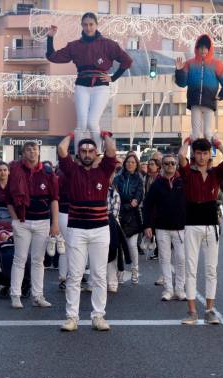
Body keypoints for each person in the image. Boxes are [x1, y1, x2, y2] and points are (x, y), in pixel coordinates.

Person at [46, 12, 132, 152]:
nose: (88, 27)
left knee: (92, 122)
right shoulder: (75, 46)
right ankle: (80, 156)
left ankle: (96, 154)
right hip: (82, 86)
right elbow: (53, 57)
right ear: (82, 26)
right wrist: (50, 37)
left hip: (101, 87)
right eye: (85, 24)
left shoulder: (108, 44)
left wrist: (113, 77)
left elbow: (127, 61)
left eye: (91, 24)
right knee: (81, 124)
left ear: (96, 25)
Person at [57, 132, 117, 332]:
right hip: (76, 230)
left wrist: (105, 135)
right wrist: (71, 135)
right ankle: (72, 317)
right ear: (78, 154)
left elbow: (111, 151)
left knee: (100, 276)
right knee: (74, 276)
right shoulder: (72, 171)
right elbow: (61, 150)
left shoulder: (104, 170)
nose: (87, 153)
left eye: (91, 151)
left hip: (100, 230)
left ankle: (98, 316)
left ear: (96, 153)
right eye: (83, 151)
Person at [178, 138, 223, 325]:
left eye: (205, 153)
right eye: (198, 153)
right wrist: (187, 142)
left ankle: (210, 310)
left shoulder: (216, 173)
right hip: (192, 224)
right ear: (193, 154)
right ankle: (192, 311)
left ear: (209, 154)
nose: (201, 157)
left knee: (211, 269)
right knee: (191, 269)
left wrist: (217, 144)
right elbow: (180, 156)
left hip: (211, 225)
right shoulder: (187, 172)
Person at [5, 142, 59, 309]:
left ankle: (38, 295)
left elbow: (54, 199)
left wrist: (54, 223)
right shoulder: (15, 170)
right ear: (23, 153)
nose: (32, 152)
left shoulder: (48, 172)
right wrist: (14, 219)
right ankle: (15, 295)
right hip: (22, 221)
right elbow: (8, 198)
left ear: (39, 152)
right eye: (28, 150)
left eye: (35, 149)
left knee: (38, 260)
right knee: (19, 259)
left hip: (42, 221)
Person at [143, 154, 187, 301]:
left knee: (181, 258)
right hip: (161, 227)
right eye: (167, 163)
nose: (170, 166)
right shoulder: (157, 184)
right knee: (164, 259)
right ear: (162, 166)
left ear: (176, 165)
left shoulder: (183, 182)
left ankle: (180, 289)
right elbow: (148, 205)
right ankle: (168, 289)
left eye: (173, 163)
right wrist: (148, 225)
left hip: (180, 227)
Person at [175, 34, 223, 141]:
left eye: (206, 48)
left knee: (208, 133)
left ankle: (208, 155)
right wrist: (179, 71)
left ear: (210, 49)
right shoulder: (189, 64)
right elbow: (182, 83)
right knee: (195, 134)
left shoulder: (217, 64)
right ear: (197, 48)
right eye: (201, 47)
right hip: (195, 103)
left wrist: (221, 95)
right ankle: (194, 155)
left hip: (209, 102)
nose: (203, 50)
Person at [114, 154, 145, 284]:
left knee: (132, 245)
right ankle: (120, 272)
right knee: (119, 247)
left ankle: (135, 270)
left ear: (136, 164)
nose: (130, 164)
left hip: (132, 216)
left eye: (133, 162)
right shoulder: (118, 178)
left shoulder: (139, 179)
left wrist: (134, 201)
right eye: (128, 162)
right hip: (118, 214)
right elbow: (115, 195)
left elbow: (137, 198)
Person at [106, 171, 130, 293]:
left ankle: (112, 282)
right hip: (96, 225)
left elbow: (113, 214)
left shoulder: (113, 193)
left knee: (112, 254)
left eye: (109, 176)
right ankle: (94, 282)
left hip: (111, 226)